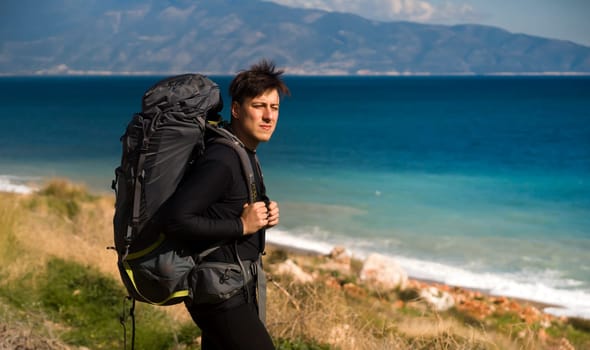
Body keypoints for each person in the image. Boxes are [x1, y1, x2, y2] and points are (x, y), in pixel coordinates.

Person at [163, 59, 290, 350]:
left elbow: (225, 204)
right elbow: (177, 219)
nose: (269, 116)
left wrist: (264, 213)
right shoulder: (222, 158)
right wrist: (242, 225)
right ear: (236, 109)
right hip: (219, 293)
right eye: (259, 106)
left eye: (274, 108)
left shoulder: (243, 151)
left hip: (232, 285)